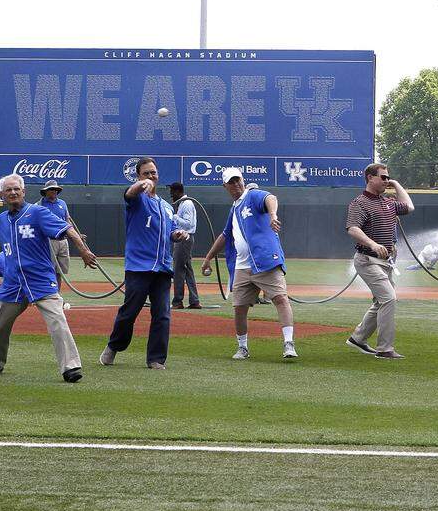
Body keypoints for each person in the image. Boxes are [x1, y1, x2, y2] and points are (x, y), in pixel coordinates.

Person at [0, 175, 98, 382]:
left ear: (24, 191)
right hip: (12, 283)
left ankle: (71, 367)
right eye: (8, 190)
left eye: (16, 189)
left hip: (40, 279)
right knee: (0, 325)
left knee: (57, 320)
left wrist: (83, 250)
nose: (13, 192)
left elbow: (68, 229)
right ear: (1, 194)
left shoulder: (37, 213)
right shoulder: (1, 220)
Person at [99, 158, 189, 370]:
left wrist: (177, 234)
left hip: (163, 268)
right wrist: (141, 186)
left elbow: (171, 232)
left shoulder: (166, 206)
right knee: (130, 311)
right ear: (138, 176)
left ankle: (156, 358)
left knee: (163, 314)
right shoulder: (137, 199)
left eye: (154, 173)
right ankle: (114, 346)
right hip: (139, 266)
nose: (151, 176)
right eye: (146, 173)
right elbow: (129, 193)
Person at [200, 167, 296, 360]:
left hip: (264, 261)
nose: (236, 184)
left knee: (280, 298)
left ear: (243, 180)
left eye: (238, 180)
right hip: (242, 266)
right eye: (232, 182)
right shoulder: (234, 208)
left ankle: (288, 343)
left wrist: (273, 215)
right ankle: (243, 347)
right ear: (225, 186)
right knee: (239, 307)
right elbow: (225, 235)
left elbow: (270, 198)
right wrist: (209, 257)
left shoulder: (252, 196)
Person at [344, 162, 414, 359]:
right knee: (389, 298)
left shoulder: (388, 202)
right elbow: (353, 228)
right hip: (368, 259)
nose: (386, 181)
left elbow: (409, 207)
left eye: (388, 177)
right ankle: (385, 349)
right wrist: (373, 244)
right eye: (383, 177)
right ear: (370, 178)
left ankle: (358, 338)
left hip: (386, 262)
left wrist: (396, 184)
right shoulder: (359, 203)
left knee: (381, 301)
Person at [169, 181, 202, 309]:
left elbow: (188, 224)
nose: (171, 196)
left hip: (184, 238)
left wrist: (174, 217)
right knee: (187, 270)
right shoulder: (183, 203)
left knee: (178, 269)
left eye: (172, 193)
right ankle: (194, 301)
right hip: (184, 238)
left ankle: (178, 301)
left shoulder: (187, 203)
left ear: (178, 191)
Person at [37, 180, 72, 280]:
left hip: (63, 241)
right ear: (46, 191)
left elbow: (67, 221)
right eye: (51, 189)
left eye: (56, 189)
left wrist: (77, 235)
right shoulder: (39, 205)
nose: (54, 191)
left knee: (60, 272)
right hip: (49, 241)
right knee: (48, 270)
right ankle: (49, 294)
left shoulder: (62, 203)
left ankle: (58, 294)